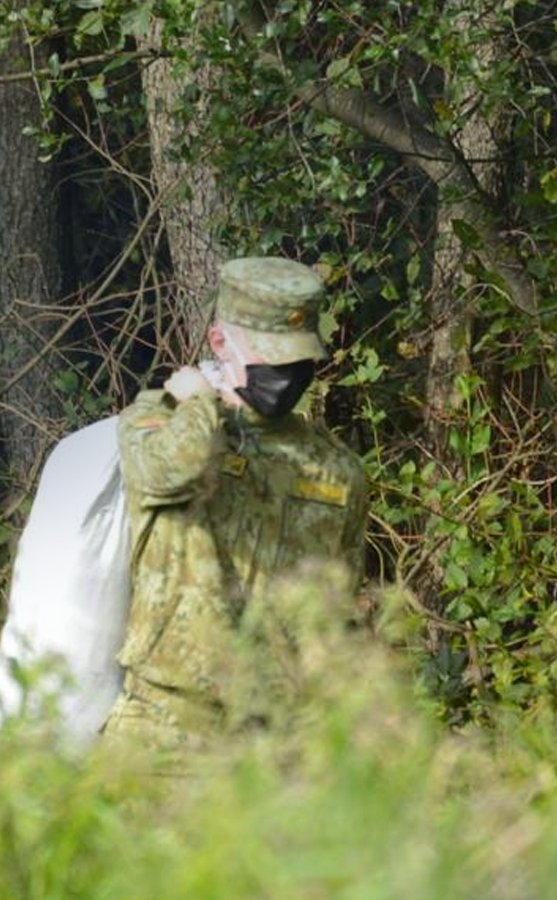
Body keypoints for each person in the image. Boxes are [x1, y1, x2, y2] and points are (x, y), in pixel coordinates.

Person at [100, 256, 368, 754]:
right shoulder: (159, 418)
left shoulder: (336, 468)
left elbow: (339, 609)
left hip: (283, 742)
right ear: (220, 342)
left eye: (298, 361)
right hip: (167, 730)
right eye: (271, 359)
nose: (286, 376)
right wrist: (200, 404)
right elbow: (169, 472)